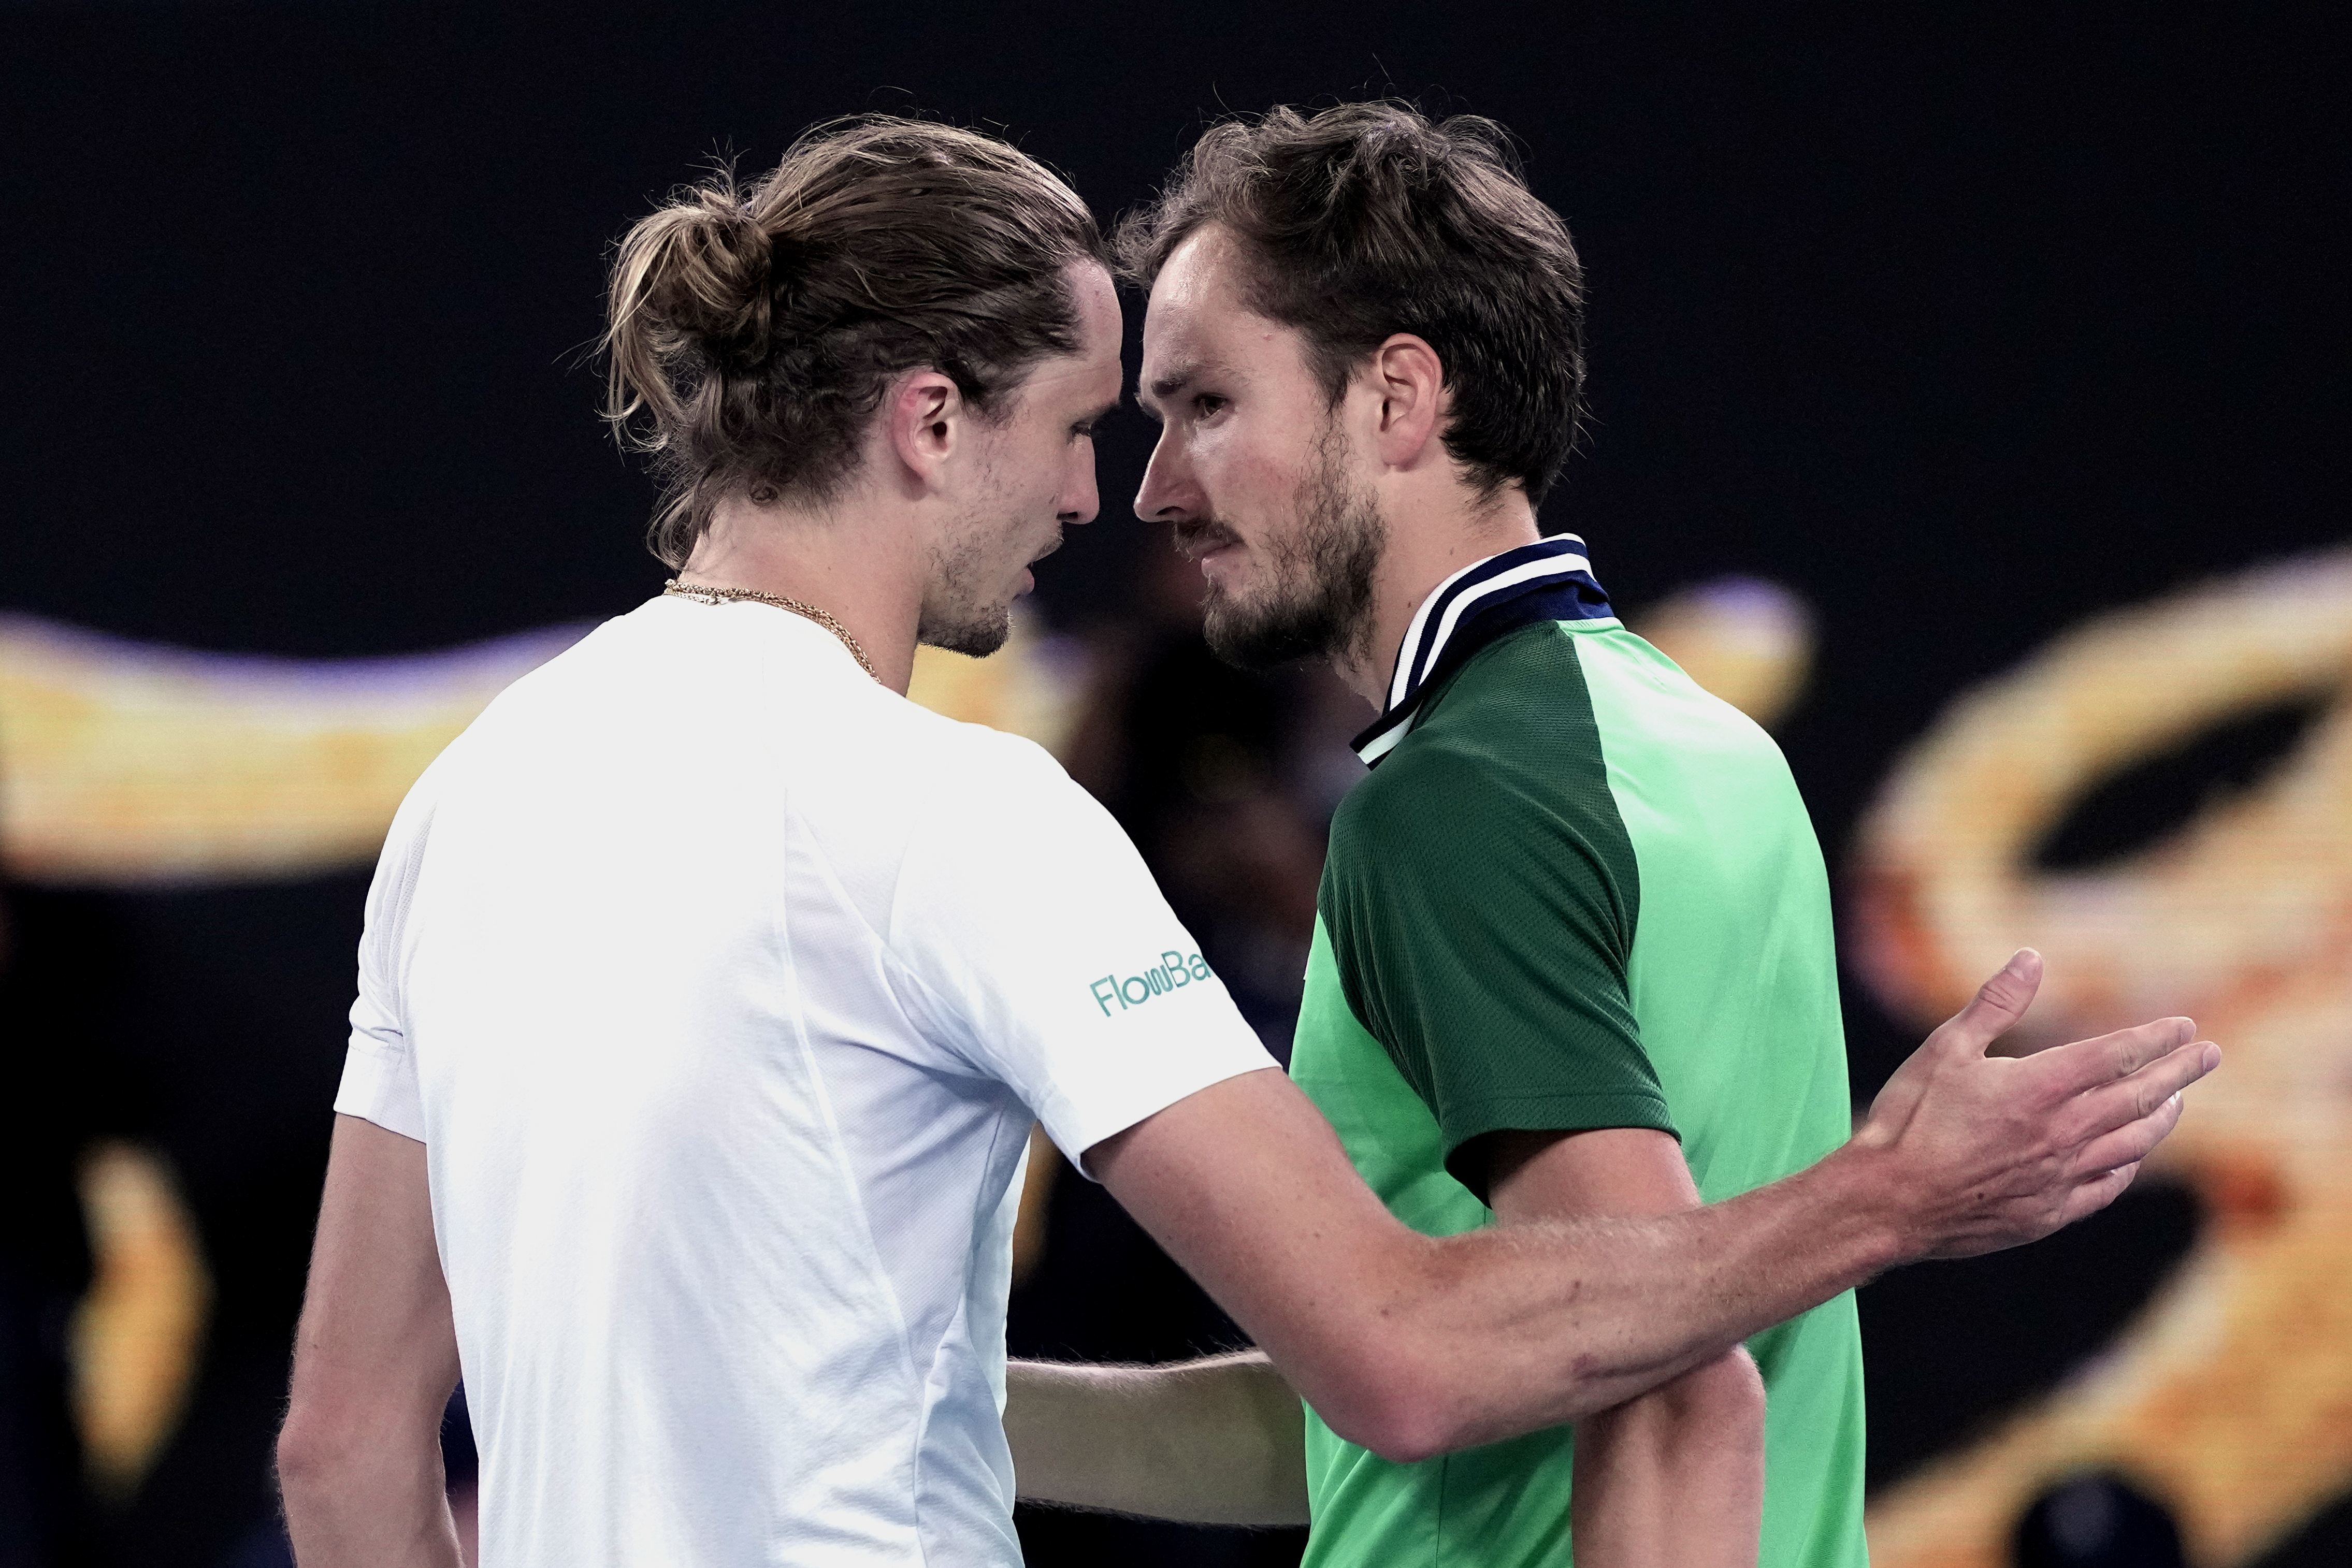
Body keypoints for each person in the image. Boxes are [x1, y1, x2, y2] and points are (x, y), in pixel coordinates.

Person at [273, 114, 2216, 1568]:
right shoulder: (969, 814)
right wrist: (1882, 1199)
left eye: (1188, 407)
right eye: (1089, 419)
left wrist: (911, 1387)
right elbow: (1406, 1358)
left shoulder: (466, 803)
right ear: (930, 423)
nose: (1106, 494)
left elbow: (343, 1451)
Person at [997, 102, 2147, 1566]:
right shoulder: (1702, 748)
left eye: (1207, 406)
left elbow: (1676, 1393)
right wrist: (953, 1408)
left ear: (1398, 399)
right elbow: (1426, 1398)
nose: (1155, 487)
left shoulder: (1457, 801)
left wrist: (1871, 1205)